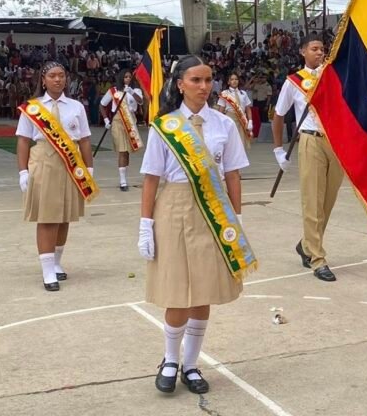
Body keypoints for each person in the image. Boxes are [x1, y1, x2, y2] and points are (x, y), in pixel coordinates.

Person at [137, 55, 252, 395]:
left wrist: (238, 217)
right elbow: (150, 180)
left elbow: (232, 174)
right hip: (173, 208)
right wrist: (145, 225)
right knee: (177, 289)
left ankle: (191, 363)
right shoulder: (165, 126)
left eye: (208, 80)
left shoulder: (223, 124)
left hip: (213, 213)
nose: (204, 87)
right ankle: (170, 359)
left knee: (203, 288)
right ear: (180, 84)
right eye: (196, 80)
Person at [16, 61, 96, 292]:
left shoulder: (75, 106)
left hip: (71, 163)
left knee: (65, 215)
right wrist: (23, 171)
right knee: (47, 216)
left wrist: (89, 168)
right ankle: (47, 269)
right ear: (43, 79)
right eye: (52, 76)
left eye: (62, 75)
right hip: (44, 160)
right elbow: (22, 140)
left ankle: (57, 261)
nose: (58, 79)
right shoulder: (32, 108)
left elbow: (84, 139)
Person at [272, 35, 342, 282]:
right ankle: (317, 259)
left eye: (322, 49)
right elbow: (279, 115)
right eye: (314, 49)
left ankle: (306, 245)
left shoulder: (332, 76)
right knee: (312, 200)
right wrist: (278, 149)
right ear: (303, 52)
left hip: (335, 141)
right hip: (310, 139)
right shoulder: (293, 82)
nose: (319, 53)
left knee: (327, 202)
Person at [100, 70, 144, 192]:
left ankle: (125, 175)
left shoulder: (136, 90)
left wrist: (131, 92)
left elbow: (140, 101)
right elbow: (102, 104)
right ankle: (122, 181)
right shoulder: (114, 91)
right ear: (121, 78)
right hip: (118, 122)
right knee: (122, 150)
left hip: (131, 121)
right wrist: (105, 120)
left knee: (127, 152)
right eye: (125, 77)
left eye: (129, 77)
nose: (128, 79)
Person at [215, 72, 254, 148]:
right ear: (228, 82)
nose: (234, 81)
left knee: (242, 143)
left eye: (236, 79)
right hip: (230, 119)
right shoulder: (225, 93)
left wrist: (250, 121)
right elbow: (221, 111)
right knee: (231, 144)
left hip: (242, 120)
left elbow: (248, 108)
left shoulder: (243, 93)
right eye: (232, 79)